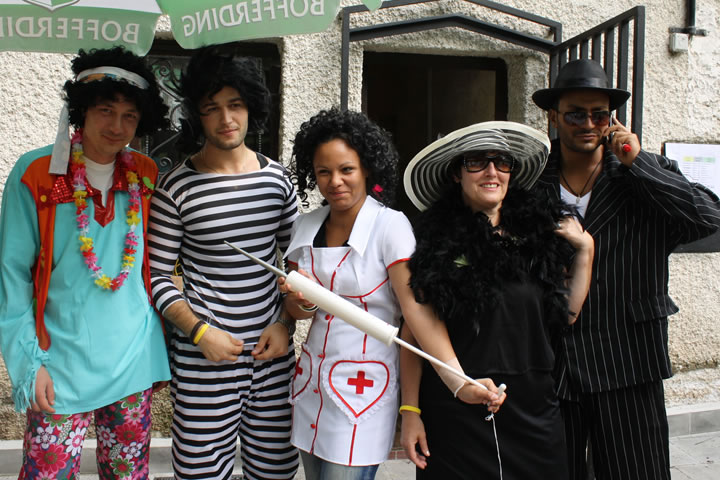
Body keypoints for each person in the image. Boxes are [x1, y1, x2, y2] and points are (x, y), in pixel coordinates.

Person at [532, 58, 720, 480]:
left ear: (612, 120)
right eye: (575, 114)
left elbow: (708, 218)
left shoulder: (643, 175)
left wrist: (638, 162)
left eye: (599, 115)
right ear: (553, 117)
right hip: (551, 363)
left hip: (628, 359)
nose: (587, 124)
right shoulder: (532, 179)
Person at [0, 47, 171, 479]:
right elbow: (12, 276)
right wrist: (28, 365)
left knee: (127, 474)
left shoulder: (146, 174)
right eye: (105, 110)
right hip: (58, 364)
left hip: (133, 361)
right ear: (81, 110)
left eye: (130, 115)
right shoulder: (36, 173)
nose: (117, 126)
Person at [399, 121, 595, 479]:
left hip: (533, 407)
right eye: (477, 162)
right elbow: (412, 335)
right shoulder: (432, 242)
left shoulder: (539, 234)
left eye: (502, 162)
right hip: (456, 407)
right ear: (456, 173)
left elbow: (566, 313)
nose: (492, 171)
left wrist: (586, 250)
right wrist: (410, 411)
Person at [147, 47, 299, 480]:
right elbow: (157, 276)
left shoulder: (279, 181)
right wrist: (199, 333)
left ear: (251, 107)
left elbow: (297, 269)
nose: (226, 118)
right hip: (203, 362)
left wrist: (285, 325)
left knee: (276, 472)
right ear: (197, 115)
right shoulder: (175, 188)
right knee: (199, 472)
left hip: (272, 358)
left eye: (235, 104)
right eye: (211, 108)